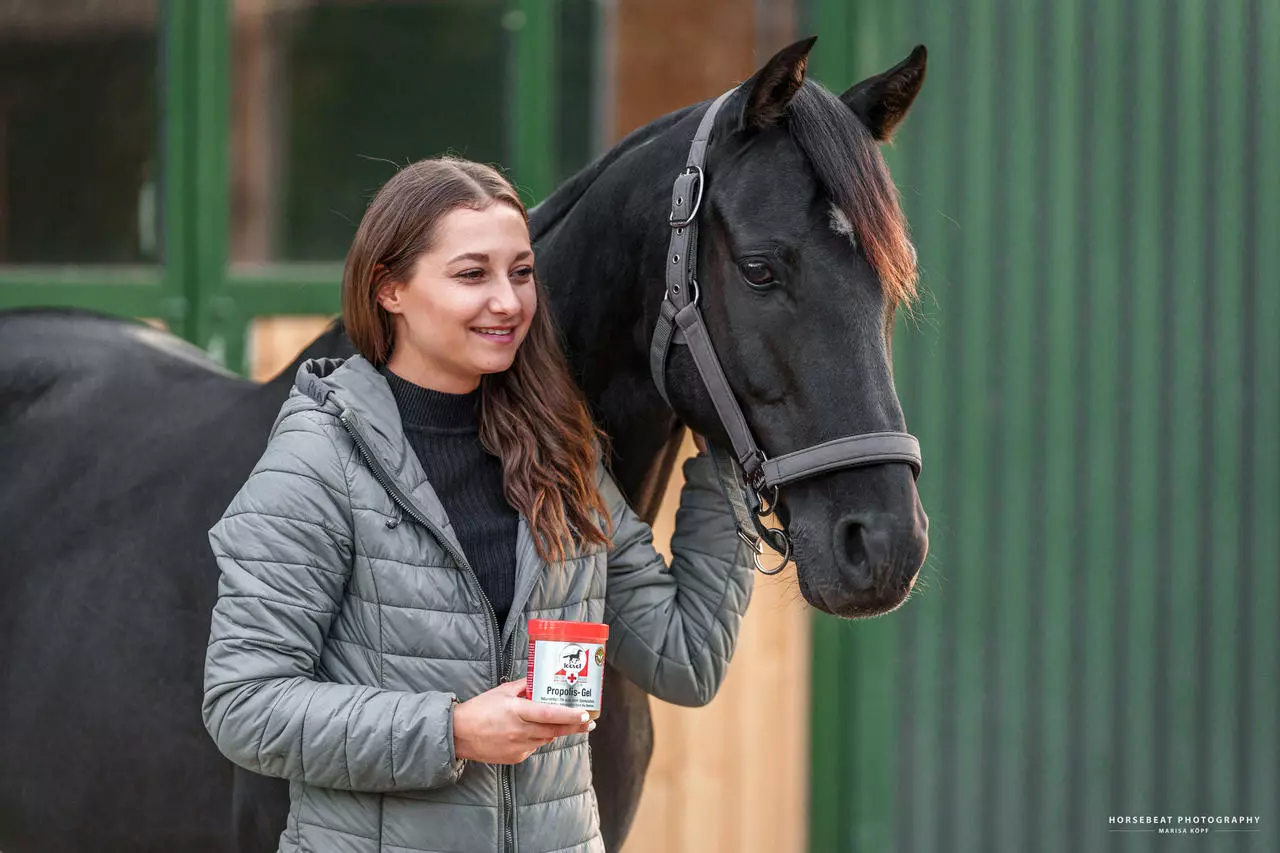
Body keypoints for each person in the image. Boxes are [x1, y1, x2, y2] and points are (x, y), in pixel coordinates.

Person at [201, 156, 754, 853]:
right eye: (472, 275)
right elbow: (244, 705)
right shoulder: (319, 461)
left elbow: (686, 657)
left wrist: (729, 456)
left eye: (521, 273)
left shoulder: (562, 454)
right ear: (390, 288)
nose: (509, 302)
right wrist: (452, 730)